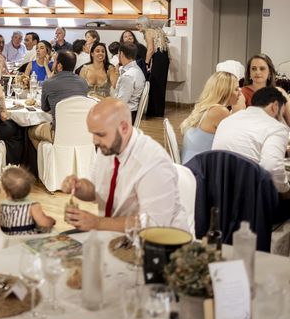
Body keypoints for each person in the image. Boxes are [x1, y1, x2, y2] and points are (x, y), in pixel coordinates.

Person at [61, 98, 187, 232]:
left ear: (124, 128)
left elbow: (153, 224)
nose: (95, 141)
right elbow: (96, 191)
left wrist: (98, 223)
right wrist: (79, 187)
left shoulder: (153, 162)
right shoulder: (108, 148)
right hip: (117, 235)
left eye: (100, 134)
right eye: (92, 134)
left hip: (157, 243)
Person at [212, 87, 290, 195]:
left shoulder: (228, 120)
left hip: (218, 190)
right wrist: (285, 190)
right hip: (250, 196)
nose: (280, 118)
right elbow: (272, 167)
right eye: (281, 113)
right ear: (275, 106)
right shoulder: (276, 128)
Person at [28, 51, 88, 149]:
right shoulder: (83, 82)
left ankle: (47, 159)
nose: (53, 63)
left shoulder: (49, 83)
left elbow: (45, 108)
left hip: (59, 132)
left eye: (54, 61)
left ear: (59, 66)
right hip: (82, 132)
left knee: (30, 131)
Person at [180, 71, 244, 164]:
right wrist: (240, 108)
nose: (240, 92)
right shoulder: (219, 111)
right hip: (199, 168)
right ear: (225, 91)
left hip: (191, 162)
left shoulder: (207, 108)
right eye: (236, 89)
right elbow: (237, 139)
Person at [0, 166, 55, 235]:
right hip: (26, 240)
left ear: (5, 191)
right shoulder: (33, 206)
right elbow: (44, 223)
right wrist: (51, 221)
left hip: (7, 238)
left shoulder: (3, 205)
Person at [240, 54, 290, 125]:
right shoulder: (241, 93)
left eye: (262, 68)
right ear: (249, 72)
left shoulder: (280, 92)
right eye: (254, 69)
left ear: (269, 72)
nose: (257, 72)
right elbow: (239, 124)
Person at [136, 16, 170, 117]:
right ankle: (158, 111)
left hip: (158, 58)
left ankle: (154, 112)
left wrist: (146, 64)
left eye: (138, 25)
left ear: (144, 24)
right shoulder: (158, 30)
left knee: (154, 83)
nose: (137, 27)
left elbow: (150, 49)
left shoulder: (148, 32)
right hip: (164, 58)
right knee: (161, 83)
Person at [114, 43, 146, 122]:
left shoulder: (128, 76)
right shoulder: (137, 70)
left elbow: (121, 101)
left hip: (125, 115)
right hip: (130, 113)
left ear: (121, 54)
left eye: (118, 53)